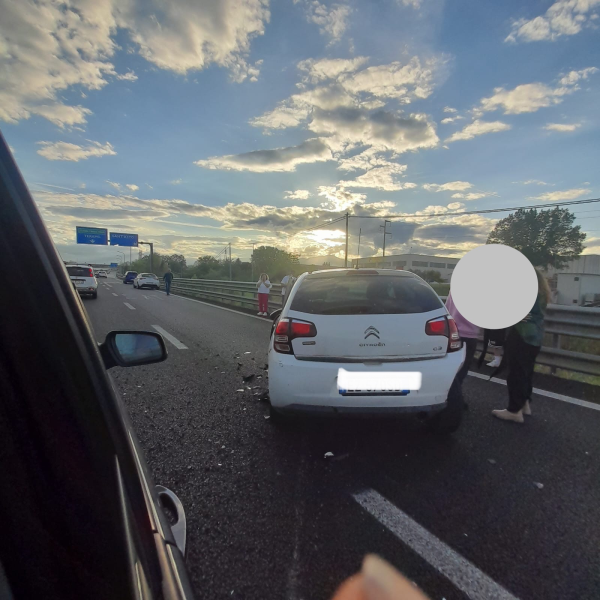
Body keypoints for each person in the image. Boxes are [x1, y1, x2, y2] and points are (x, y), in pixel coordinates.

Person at [492, 270, 550, 423]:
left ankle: (514, 411)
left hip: (521, 337)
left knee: (516, 373)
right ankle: (524, 404)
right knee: (526, 371)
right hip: (535, 337)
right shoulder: (542, 293)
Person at [445, 291, 480, 406]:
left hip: (452, 330)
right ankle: (455, 398)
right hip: (469, 333)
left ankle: (449, 396)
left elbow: (447, 307)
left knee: (452, 367)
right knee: (463, 368)